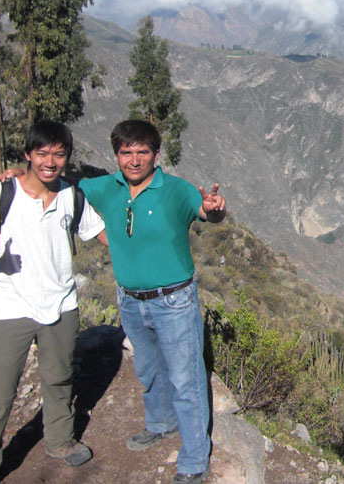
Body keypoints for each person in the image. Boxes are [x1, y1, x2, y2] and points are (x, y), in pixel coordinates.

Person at [80, 119, 225, 484]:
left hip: (173, 300)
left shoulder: (175, 190)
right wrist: (19, 175)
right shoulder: (105, 187)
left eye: (142, 151)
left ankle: (195, 460)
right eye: (126, 152)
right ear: (116, 156)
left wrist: (215, 209)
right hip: (129, 300)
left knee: (185, 378)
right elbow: (66, 189)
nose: (134, 159)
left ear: (156, 155)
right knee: (148, 369)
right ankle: (161, 424)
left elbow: (209, 212)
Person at [0, 120, 104, 484]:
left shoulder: (72, 196)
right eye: (42, 153)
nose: (50, 161)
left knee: (59, 378)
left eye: (59, 154)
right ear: (27, 154)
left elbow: (102, 234)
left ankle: (60, 440)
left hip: (61, 304)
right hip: (11, 306)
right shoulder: (0, 193)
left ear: (67, 157)